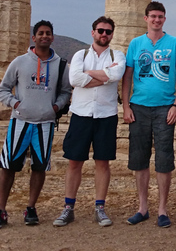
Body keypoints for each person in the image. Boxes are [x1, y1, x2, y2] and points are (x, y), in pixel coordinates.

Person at [0, 20, 71, 229]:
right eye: (41, 33)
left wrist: (55, 107)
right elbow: (3, 89)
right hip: (20, 122)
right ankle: (0, 209)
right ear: (33, 38)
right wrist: (15, 103)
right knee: (8, 166)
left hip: (45, 123)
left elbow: (65, 92)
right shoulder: (19, 62)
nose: (45, 36)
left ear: (53, 37)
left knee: (39, 167)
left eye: (48, 33)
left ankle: (31, 207)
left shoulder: (61, 65)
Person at [53, 16, 125, 228]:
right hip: (81, 114)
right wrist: (104, 76)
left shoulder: (117, 55)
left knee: (103, 162)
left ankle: (100, 208)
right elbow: (74, 80)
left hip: (106, 115)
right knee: (75, 161)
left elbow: (117, 74)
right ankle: (68, 208)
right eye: (101, 30)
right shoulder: (80, 54)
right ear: (93, 32)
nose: (104, 34)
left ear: (112, 34)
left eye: (108, 31)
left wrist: (89, 75)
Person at [122, 1, 176, 228]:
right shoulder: (135, 43)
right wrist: (126, 105)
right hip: (138, 106)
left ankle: (162, 209)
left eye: (160, 16)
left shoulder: (175, 43)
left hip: (165, 107)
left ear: (164, 19)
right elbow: (128, 76)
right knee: (139, 158)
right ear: (146, 18)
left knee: (164, 159)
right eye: (153, 16)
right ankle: (142, 207)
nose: (157, 20)